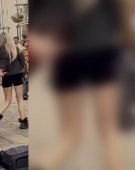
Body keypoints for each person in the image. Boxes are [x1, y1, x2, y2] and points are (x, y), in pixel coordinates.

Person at [28, 0, 122, 169]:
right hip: (100, 49)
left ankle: (46, 164)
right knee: (108, 131)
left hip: (67, 54)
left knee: (70, 134)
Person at [0, 32, 28, 130]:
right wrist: (19, 69)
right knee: (20, 99)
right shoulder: (16, 49)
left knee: (7, 100)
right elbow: (22, 62)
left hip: (6, 75)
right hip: (17, 75)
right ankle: (23, 121)